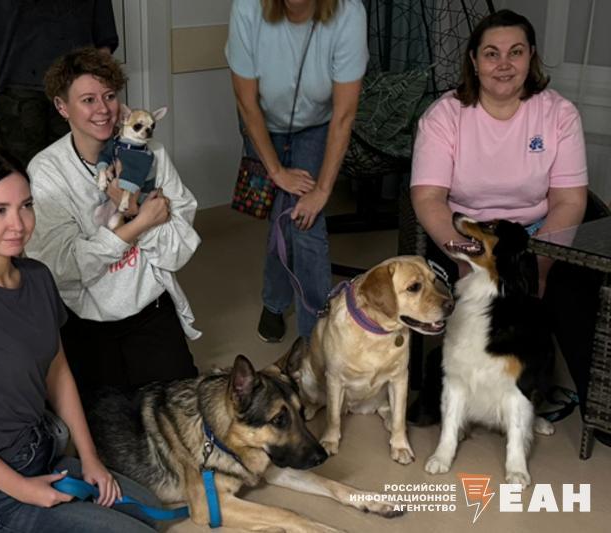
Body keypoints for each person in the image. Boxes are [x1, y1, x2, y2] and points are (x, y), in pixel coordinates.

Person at [0, 146, 160, 532]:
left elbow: (57, 371)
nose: (18, 224)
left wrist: (91, 458)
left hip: (42, 454)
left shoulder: (37, 277)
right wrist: (24, 490)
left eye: (26, 206)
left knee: (149, 509)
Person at [409, 10, 605, 442]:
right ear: (474, 60)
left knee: (574, 294)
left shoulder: (558, 114)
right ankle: (450, 391)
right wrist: (467, 259)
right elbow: (428, 199)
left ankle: (596, 407)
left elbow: (570, 200)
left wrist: (539, 267)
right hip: (465, 235)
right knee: (459, 301)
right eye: (491, 54)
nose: (503, 64)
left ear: (531, 57)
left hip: (538, 234)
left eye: (515, 53)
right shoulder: (444, 116)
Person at [25, 48, 200, 393]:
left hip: (150, 306)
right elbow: (60, 267)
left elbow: (180, 248)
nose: (103, 109)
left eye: (109, 96)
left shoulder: (153, 153)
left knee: (180, 406)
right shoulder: (47, 171)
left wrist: (132, 208)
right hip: (86, 318)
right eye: (88, 100)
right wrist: (137, 221)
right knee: (104, 419)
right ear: (62, 107)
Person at [225, 0, 368, 342]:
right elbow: (246, 102)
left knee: (305, 220)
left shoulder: (349, 13)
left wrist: (322, 191)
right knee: (282, 216)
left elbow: (344, 115)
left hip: (316, 126)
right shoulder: (247, 8)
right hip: (261, 124)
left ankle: (315, 337)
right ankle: (275, 300)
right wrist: (276, 171)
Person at [0, 0, 119, 166]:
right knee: (19, 168)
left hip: (76, 85)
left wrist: (104, 88)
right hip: (16, 86)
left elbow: (103, 35)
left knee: (81, 164)